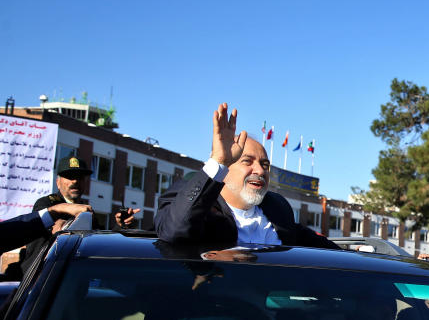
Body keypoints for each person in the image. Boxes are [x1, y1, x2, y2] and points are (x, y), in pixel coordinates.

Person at [156, 103, 339, 249]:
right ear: (225, 166)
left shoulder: (276, 207)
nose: (260, 171)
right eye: (247, 161)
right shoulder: (192, 199)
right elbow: (174, 232)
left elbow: (312, 243)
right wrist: (218, 161)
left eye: (265, 164)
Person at [20, 157, 139, 270]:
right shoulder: (46, 204)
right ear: (58, 182)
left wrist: (120, 225)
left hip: (72, 278)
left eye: (80, 177)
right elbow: (54, 229)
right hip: (41, 276)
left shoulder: (87, 212)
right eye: (69, 177)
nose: (75, 181)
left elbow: (99, 245)